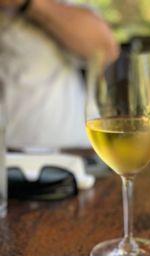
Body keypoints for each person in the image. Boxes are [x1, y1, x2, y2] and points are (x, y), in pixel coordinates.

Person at [0, 0, 119, 150]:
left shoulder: (61, 5)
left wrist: (27, 3)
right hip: (7, 157)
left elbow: (106, 49)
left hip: (68, 156)